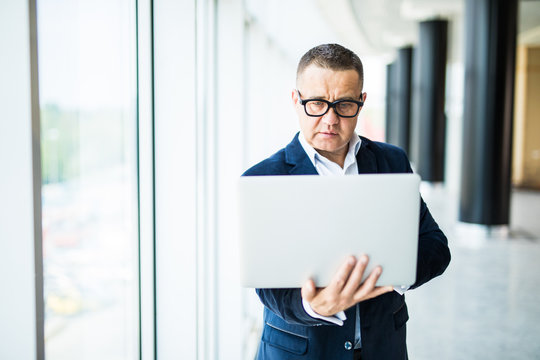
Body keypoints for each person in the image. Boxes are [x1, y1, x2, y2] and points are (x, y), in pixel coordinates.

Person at [242, 43, 450, 360]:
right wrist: (312, 305)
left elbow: (435, 244)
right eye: (316, 103)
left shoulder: (392, 162)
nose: (330, 119)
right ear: (296, 100)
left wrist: (394, 272)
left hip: (382, 346)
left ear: (361, 102)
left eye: (344, 105)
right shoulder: (264, 178)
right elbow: (268, 284)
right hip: (302, 351)